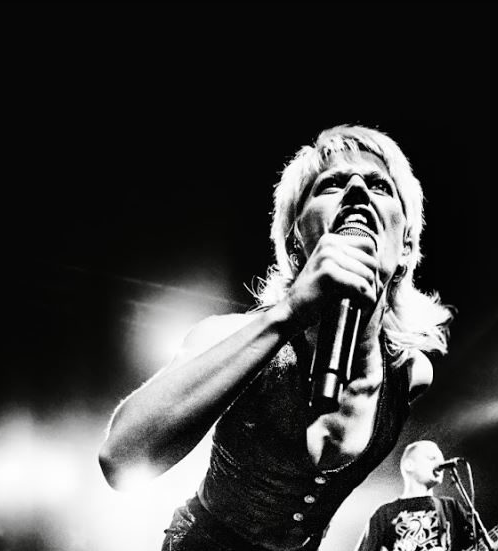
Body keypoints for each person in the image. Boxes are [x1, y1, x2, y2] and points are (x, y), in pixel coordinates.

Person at [97, 124, 453, 550]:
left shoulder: (409, 373)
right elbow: (121, 459)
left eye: (380, 185)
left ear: (407, 244)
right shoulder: (231, 338)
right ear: (296, 240)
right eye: (331, 184)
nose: (357, 191)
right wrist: (289, 313)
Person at [355, 440, 476, 551]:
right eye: (432, 458)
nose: (440, 464)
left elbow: (478, 545)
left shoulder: (450, 507)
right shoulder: (384, 513)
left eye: (442, 460)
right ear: (409, 465)